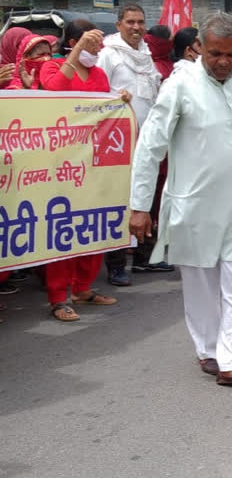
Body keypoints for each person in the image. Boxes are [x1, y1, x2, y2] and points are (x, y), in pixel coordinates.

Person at [130, 12, 232, 389]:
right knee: (200, 286)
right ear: (200, 48)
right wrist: (139, 205)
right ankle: (208, 350)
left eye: (231, 54)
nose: (224, 62)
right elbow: (150, 148)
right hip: (193, 205)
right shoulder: (179, 86)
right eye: (215, 54)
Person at [35, 19, 129, 320]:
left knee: (92, 224)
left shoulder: (99, 73)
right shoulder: (52, 67)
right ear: (72, 42)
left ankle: (82, 287)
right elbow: (54, 90)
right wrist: (74, 56)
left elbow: (101, 108)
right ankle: (58, 297)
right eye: (91, 42)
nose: (97, 48)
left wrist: (119, 100)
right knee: (62, 228)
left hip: (92, 161)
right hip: (60, 162)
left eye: (99, 43)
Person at [98, 4, 168, 285]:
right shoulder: (108, 55)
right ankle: (116, 264)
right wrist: (116, 98)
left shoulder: (146, 56)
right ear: (118, 25)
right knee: (119, 201)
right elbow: (95, 95)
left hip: (146, 140)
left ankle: (144, 257)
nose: (136, 27)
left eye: (141, 22)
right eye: (130, 22)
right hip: (116, 143)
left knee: (146, 196)